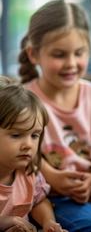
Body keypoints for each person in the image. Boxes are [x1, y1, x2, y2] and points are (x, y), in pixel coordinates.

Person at [17, 0, 91, 232]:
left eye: (79, 53)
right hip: (48, 198)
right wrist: (52, 177)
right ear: (34, 54)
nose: (71, 63)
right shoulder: (24, 100)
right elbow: (22, 150)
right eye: (59, 54)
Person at [0, 76, 65, 232]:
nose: (28, 145)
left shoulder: (29, 172)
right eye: (16, 135)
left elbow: (38, 201)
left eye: (34, 135)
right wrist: (5, 221)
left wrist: (48, 221)